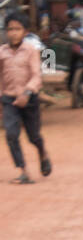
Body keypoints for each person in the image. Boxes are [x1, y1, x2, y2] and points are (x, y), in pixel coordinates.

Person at [1, 11, 51, 185]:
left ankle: (42, 152)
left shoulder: (31, 51)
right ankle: (23, 170)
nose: (13, 32)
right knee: (11, 134)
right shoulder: (2, 52)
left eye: (17, 29)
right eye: (10, 29)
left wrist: (27, 92)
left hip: (29, 100)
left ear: (25, 31)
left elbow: (37, 76)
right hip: (9, 100)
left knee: (33, 136)